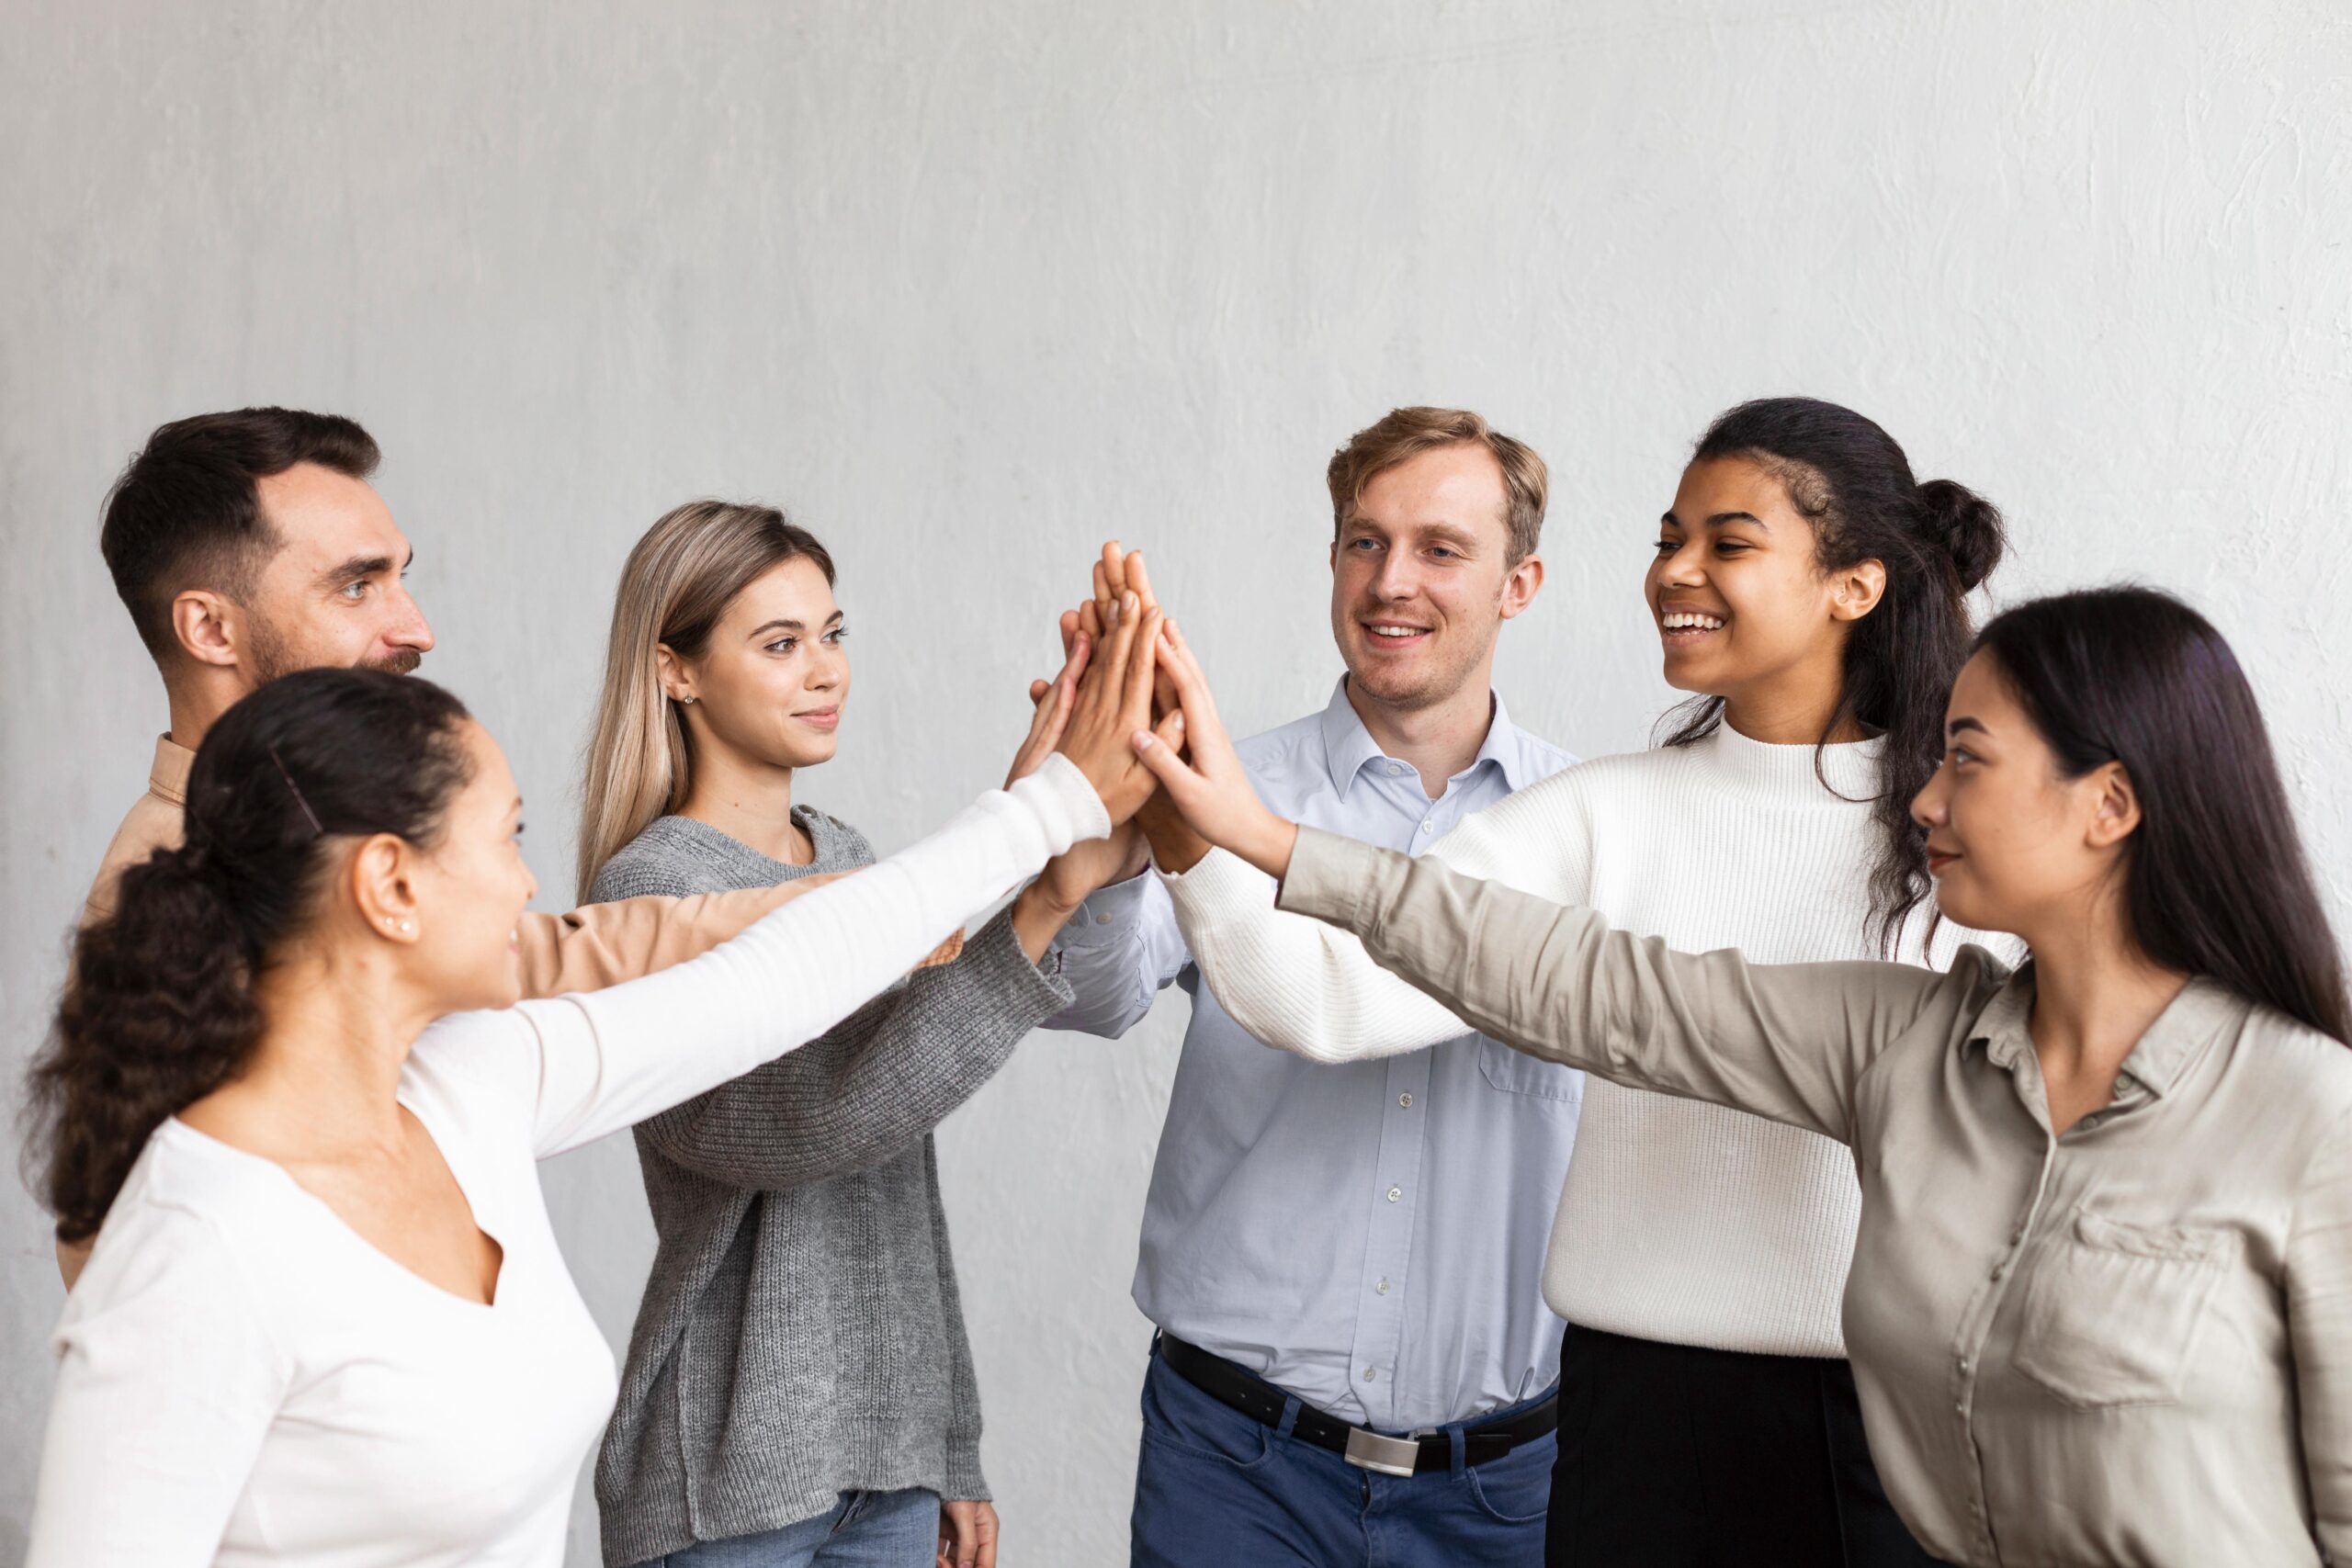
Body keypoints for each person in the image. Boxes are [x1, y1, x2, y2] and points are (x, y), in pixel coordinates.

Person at [1135, 584, 2352, 1567]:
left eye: (1967, 758)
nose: (1923, 795)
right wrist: (1265, 835)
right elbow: (1588, 982)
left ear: (2112, 804)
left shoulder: (2310, 1116)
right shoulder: (1901, 1043)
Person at [22, 581, 1168, 1567]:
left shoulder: (475, 1083)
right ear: (390, 884)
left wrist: (1051, 813)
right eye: (506, 838)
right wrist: (1048, 811)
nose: (530, 887)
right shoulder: (200, 1240)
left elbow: (774, 982)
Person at [1150, 397, 2007, 1564]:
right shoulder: (1603, 815)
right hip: (1634, 1434)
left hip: (1901, 1434)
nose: (1674, 572)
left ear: (1854, 584)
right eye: (1669, 538)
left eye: (1728, 542)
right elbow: (1326, 998)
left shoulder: (1965, 827)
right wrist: (1193, 825)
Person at [62, 408, 829, 1286]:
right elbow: (124, 1262)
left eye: (400, 579)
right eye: (357, 586)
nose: (417, 629)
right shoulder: (164, 893)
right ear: (210, 630)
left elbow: (548, 954)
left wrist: (832, 903)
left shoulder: (334, 818)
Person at [1045, 408, 1579, 1567]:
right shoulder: (1218, 781)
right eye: (1361, 542)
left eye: (1441, 548)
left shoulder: (1585, 829)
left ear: (1518, 582)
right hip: (1234, 1468)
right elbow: (1091, 999)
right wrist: (1084, 848)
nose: (1391, 582)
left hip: (1503, 1491)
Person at [578, 502, 1138, 1568]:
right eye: (780, 645)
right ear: (676, 670)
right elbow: (808, 1127)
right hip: (725, 1480)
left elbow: (900, 1183)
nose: (825, 671)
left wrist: (948, 1447)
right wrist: (1041, 888)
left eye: (833, 634)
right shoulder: (648, 890)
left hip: (885, 1471)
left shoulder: (850, 854)